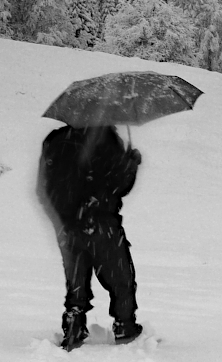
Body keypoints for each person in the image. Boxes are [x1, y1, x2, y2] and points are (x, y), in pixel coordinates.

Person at [37, 124, 143, 349]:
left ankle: (74, 325)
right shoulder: (106, 140)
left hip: (66, 225)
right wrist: (131, 164)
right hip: (101, 222)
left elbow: (41, 188)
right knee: (120, 277)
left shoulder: (54, 140)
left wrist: (60, 219)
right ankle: (125, 327)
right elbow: (118, 185)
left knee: (76, 280)